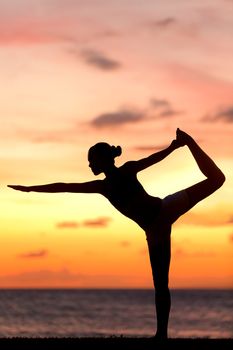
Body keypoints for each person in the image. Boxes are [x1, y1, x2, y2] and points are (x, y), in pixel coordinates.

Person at [8, 128, 225, 339]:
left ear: (103, 160)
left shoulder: (127, 171)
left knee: (217, 179)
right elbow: (65, 186)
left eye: (91, 160)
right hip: (154, 230)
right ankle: (162, 335)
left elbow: (154, 159)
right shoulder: (102, 186)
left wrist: (174, 147)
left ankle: (190, 142)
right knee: (160, 283)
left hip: (165, 208)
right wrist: (30, 189)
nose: (89, 164)